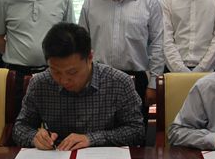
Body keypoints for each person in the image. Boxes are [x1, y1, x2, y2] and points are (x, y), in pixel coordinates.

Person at [12, 22, 145, 150]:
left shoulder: (118, 83)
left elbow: (137, 131)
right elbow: (20, 128)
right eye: (56, 72)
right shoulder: (40, 84)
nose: (64, 80)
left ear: (90, 57)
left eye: (72, 72)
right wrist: (35, 138)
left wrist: (92, 139)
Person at [79, 0, 164, 135]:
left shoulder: (149, 2)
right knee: (96, 135)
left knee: (134, 135)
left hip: (136, 81)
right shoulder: (91, 1)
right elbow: (81, 45)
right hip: (97, 80)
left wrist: (153, 85)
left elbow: (157, 45)